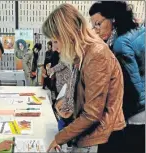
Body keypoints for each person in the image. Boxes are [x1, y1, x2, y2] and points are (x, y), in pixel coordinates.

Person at [42, 3, 126, 153]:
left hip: (102, 140)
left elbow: (93, 113)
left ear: (67, 35)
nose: (54, 48)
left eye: (55, 40)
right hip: (92, 137)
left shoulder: (96, 54)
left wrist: (60, 137)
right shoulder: (82, 55)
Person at [89, 1, 145, 153]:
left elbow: (130, 89)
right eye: (93, 26)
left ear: (112, 19)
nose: (96, 30)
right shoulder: (137, 31)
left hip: (136, 116)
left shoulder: (120, 44)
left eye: (98, 24)